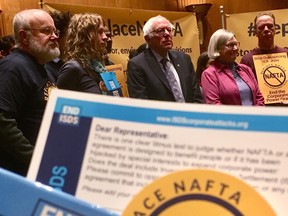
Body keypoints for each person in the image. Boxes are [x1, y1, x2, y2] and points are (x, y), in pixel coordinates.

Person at [0, 9, 60, 175]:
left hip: (48, 166)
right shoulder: (12, 67)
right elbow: (2, 121)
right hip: (23, 173)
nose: (54, 36)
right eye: (46, 31)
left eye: (55, 31)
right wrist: (34, 158)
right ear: (24, 36)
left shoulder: (45, 66)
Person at [127, 15, 203, 103]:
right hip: (160, 116)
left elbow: (196, 95)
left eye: (169, 30)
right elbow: (141, 103)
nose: (167, 34)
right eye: (160, 31)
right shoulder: (137, 65)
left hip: (189, 115)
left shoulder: (184, 59)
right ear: (148, 39)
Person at [201, 29, 264, 106]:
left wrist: (254, 116)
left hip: (254, 117)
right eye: (230, 45)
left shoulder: (246, 69)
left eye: (236, 44)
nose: (235, 48)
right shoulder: (209, 74)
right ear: (217, 49)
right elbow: (214, 105)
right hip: (229, 118)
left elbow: (259, 98)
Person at [57, 13, 107, 94]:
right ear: (84, 35)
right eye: (100, 32)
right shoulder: (72, 68)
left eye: (104, 32)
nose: (105, 37)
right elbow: (61, 104)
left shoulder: (97, 66)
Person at [240, 11, 288, 78]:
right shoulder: (247, 60)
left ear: (275, 29)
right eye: (261, 27)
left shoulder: (286, 54)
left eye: (270, 26)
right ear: (255, 32)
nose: (266, 29)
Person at [45, 10, 72, 81]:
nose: (73, 40)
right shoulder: (47, 67)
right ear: (57, 36)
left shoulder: (63, 63)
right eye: (69, 36)